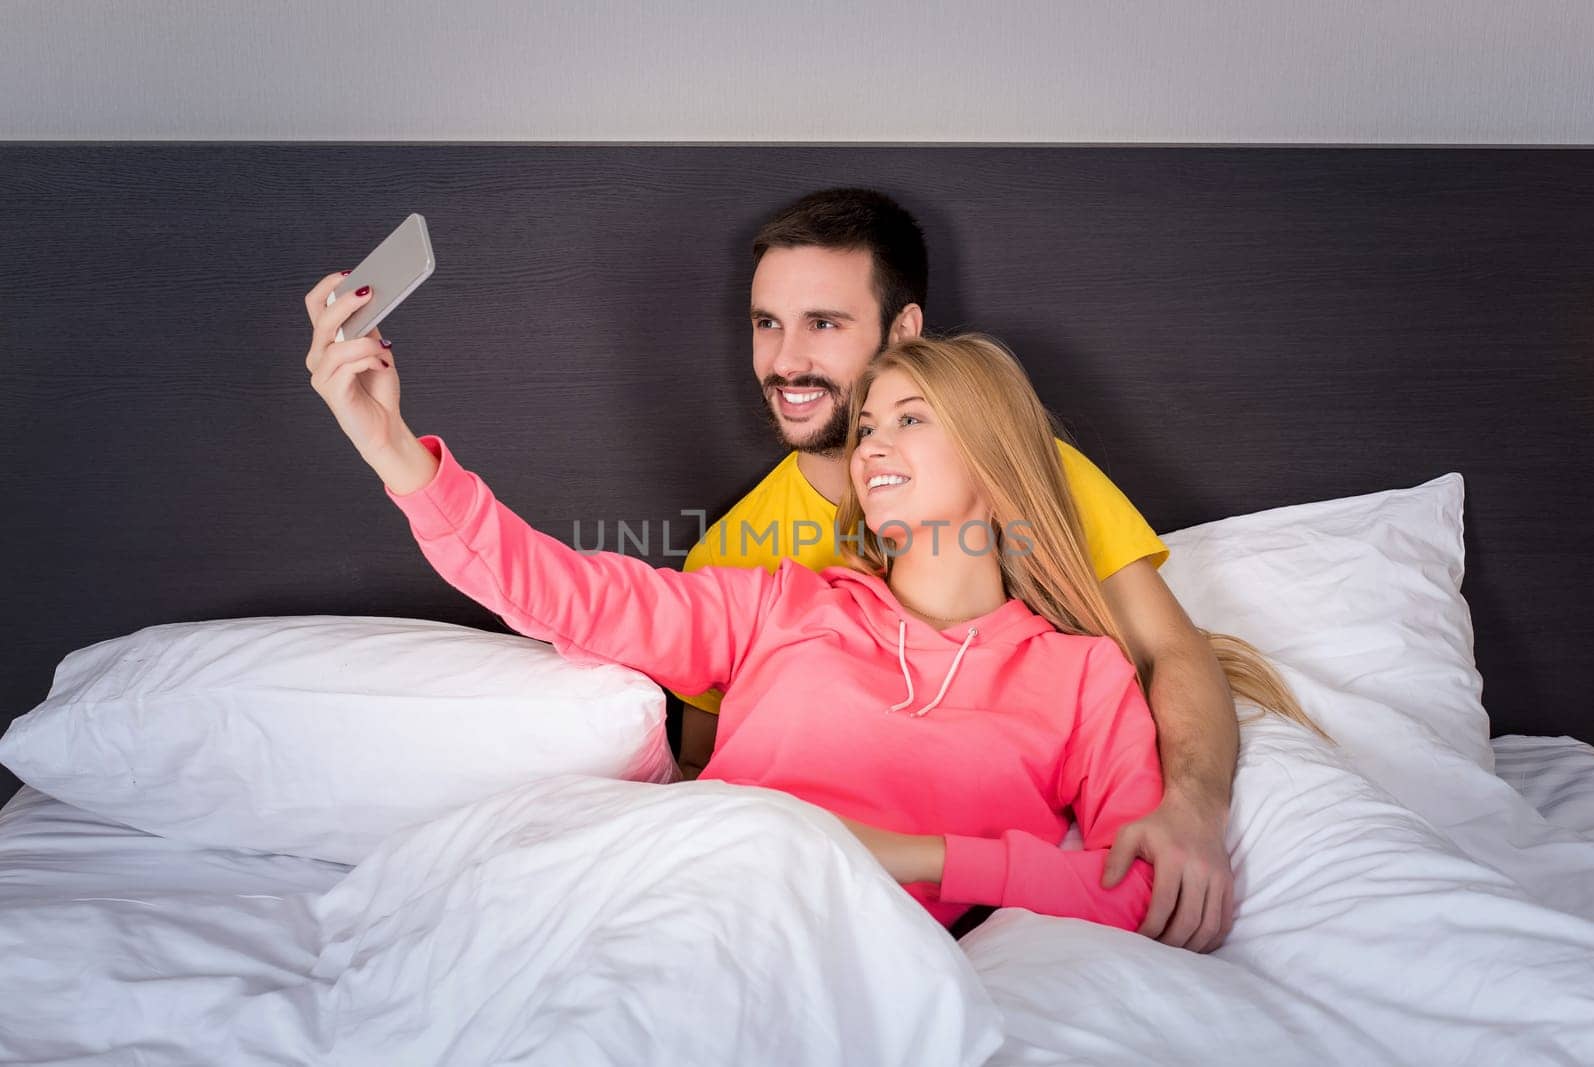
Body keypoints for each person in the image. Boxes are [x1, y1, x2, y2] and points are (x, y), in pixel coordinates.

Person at [301, 275, 1325, 935]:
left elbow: (1135, 886)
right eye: (869, 420)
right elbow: (560, 589)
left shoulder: (1081, 678)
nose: (871, 442)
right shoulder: (775, 605)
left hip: (845, 945)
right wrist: (394, 452)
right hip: (679, 896)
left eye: (910, 420)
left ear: (997, 461)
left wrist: (905, 856)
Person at [675, 188, 1248, 951]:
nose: (786, 361)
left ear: (902, 329)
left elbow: (1171, 650)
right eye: (767, 324)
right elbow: (697, 769)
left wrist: (1193, 809)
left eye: (825, 323)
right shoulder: (732, 551)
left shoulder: (1024, 475)